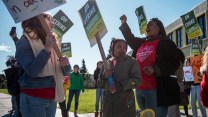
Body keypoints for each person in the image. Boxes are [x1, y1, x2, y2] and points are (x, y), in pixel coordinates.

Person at [119, 15, 180, 117]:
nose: (147, 26)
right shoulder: (142, 42)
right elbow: (130, 39)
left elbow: (175, 63)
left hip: (156, 90)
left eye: (150, 25)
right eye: (147, 25)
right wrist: (124, 24)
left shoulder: (167, 43)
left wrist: (155, 68)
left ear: (159, 28)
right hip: (139, 89)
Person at [15, 13, 70, 117]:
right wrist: (47, 48)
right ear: (38, 21)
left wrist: (66, 64)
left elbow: (66, 72)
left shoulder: (53, 42)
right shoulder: (24, 42)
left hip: (52, 97)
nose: (52, 23)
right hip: (34, 97)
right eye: (49, 19)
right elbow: (32, 71)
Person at [97, 38, 141, 117]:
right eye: (119, 46)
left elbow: (137, 80)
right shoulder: (106, 64)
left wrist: (120, 86)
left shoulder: (132, 61)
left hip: (125, 105)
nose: (122, 49)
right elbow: (99, 84)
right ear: (112, 48)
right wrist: (103, 76)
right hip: (108, 105)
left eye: (125, 47)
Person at [167, 48, 185, 117]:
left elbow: (172, 75)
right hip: (180, 85)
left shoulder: (175, 62)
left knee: (171, 109)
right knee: (176, 108)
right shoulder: (180, 62)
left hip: (174, 85)